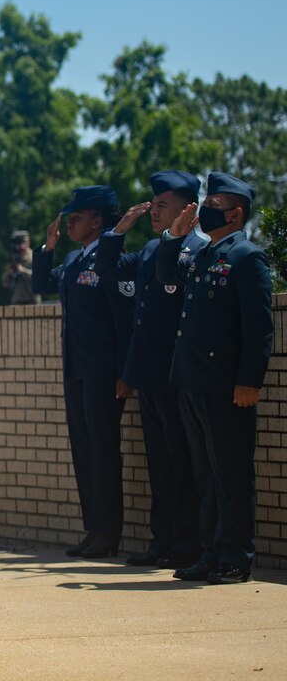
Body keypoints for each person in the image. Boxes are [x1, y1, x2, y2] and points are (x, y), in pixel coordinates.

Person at [157, 171, 273, 584]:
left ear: (236, 213)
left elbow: (258, 327)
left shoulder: (247, 258)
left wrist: (250, 381)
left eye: (215, 205)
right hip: (192, 381)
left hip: (226, 386)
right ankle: (209, 552)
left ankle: (234, 558)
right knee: (205, 475)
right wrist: (173, 238)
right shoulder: (205, 254)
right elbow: (166, 278)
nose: (205, 210)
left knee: (231, 475)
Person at [95, 170, 206, 568]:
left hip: (179, 374)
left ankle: (187, 543)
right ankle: (163, 542)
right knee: (160, 463)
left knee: (183, 461)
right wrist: (120, 229)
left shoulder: (198, 248)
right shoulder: (150, 249)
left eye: (163, 205)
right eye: (153, 204)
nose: (154, 212)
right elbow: (108, 268)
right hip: (150, 374)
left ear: (187, 209)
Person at [33, 186, 135, 560]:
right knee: (84, 450)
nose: (70, 222)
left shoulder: (111, 261)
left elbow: (124, 322)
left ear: (98, 221)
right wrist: (48, 247)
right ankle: (94, 529)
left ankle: (109, 533)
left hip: (105, 372)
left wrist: (126, 371)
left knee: (104, 451)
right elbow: (42, 283)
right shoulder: (76, 260)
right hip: (77, 369)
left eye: (77, 217)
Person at [2, 230, 36, 304]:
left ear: (28, 242)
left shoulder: (34, 257)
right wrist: (9, 274)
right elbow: (5, 283)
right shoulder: (14, 259)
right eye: (18, 243)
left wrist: (23, 271)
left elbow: (38, 277)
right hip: (16, 300)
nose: (21, 246)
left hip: (31, 299)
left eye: (23, 242)